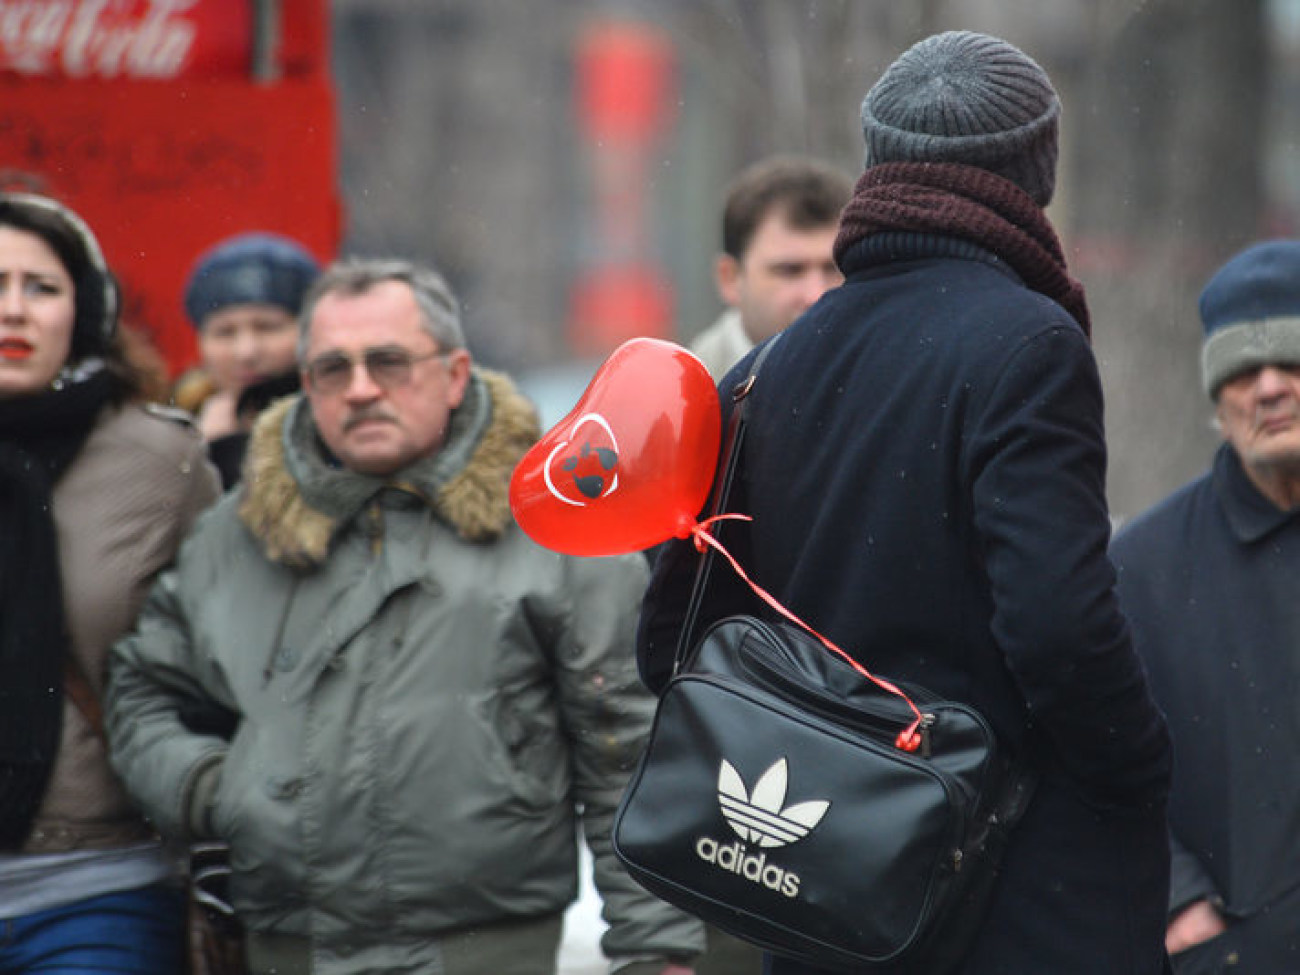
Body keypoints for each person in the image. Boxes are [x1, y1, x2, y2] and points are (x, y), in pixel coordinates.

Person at [638, 31, 1173, 975]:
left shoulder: (766, 369)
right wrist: (1139, 769)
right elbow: (1058, 626)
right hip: (1005, 885)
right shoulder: (1028, 345)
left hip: (827, 886)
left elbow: (672, 638)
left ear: (876, 160)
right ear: (1035, 168)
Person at [105, 257, 704, 975]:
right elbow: (138, 688)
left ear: (455, 373)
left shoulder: (553, 524)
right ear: (306, 384)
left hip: (487, 946)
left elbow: (628, 754)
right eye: (333, 368)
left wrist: (657, 952)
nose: (361, 389)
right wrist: (213, 787)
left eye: (388, 362)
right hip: (287, 945)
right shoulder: (235, 535)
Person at [0, 192, 220, 971]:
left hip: (95, 882)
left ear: (84, 311)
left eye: (42, 287)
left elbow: (216, 667)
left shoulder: (159, 462)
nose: (13, 310)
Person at [1110, 239, 1300, 974]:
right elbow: (1097, 760)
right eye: (1244, 369)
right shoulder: (1142, 570)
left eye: (1291, 360)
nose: (1271, 387)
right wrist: (1179, 902)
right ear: (1215, 396)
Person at [173, 231, 321, 487]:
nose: (246, 352)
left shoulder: (338, 422)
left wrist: (227, 452)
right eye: (224, 332)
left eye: (267, 327)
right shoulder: (170, 426)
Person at [689, 155, 851, 381]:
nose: (816, 294)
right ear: (730, 278)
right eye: (790, 270)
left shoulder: (890, 377)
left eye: (833, 269)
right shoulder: (685, 399)